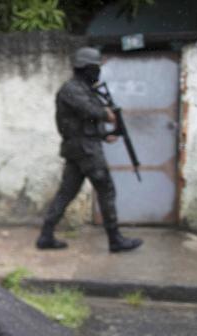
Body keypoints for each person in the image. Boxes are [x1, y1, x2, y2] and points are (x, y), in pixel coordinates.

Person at [37, 46, 143, 253]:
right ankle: (115, 240)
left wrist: (104, 134)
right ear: (85, 68)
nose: (98, 72)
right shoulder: (72, 89)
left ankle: (45, 236)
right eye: (95, 68)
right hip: (85, 149)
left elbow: (85, 120)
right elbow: (88, 110)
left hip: (80, 147)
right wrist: (107, 114)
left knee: (66, 193)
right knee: (106, 189)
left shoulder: (86, 89)